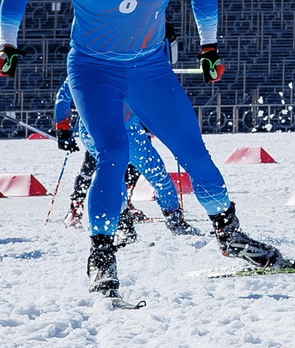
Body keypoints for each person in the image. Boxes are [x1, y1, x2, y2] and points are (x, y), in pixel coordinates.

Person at [0, 0, 280, 301]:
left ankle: (229, 234)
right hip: (94, 69)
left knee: (193, 152)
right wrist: (6, 44)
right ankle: (102, 257)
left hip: (150, 69)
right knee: (113, 152)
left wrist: (210, 47)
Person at [55, 79, 194, 243]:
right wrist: (62, 128)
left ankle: (174, 219)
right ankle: (123, 225)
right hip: (96, 130)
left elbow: (157, 91)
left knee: (157, 173)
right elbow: (64, 93)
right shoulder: (87, 59)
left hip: (130, 128)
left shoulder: (133, 58)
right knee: (114, 174)